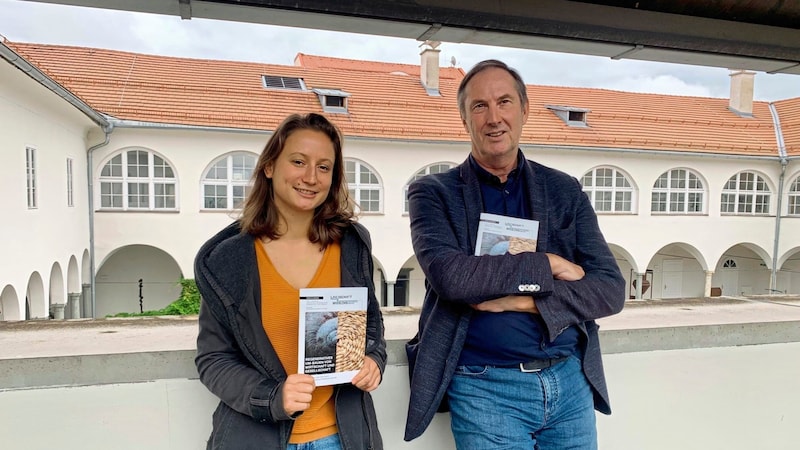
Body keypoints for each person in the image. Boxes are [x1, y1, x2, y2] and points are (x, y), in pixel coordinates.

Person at [404, 60, 626, 449]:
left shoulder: (564, 190)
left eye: (504, 102)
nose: (494, 118)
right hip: (484, 388)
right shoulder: (433, 193)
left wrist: (525, 302)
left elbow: (609, 289)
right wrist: (549, 264)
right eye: (479, 106)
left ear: (524, 110)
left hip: (570, 383)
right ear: (464, 119)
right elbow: (452, 278)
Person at [195, 113, 386, 450]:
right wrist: (271, 397)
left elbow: (371, 333)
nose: (311, 177)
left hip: (343, 438)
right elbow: (214, 359)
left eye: (324, 167)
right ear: (270, 166)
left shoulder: (352, 245)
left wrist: (373, 361)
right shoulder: (228, 260)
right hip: (257, 438)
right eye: (298, 161)